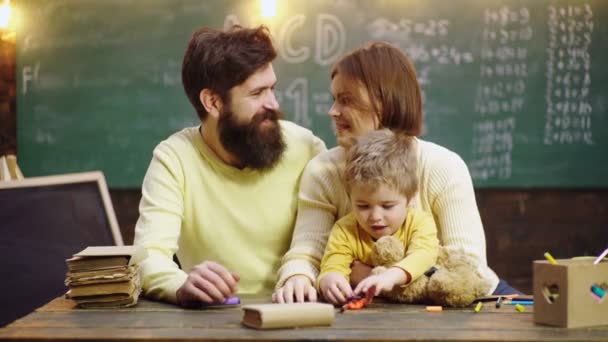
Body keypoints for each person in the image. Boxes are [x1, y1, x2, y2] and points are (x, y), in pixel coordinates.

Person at [273, 41, 521, 303]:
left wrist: (365, 273)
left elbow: (467, 267)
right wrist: (297, 276)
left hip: (480, 300)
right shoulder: (323, 171)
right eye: (334, 99)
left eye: (347, 100)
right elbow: (308, 254)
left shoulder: (443, 166)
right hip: (382, 311)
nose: (333, 111)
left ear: (385, 102)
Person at [133, 25, 326, 307]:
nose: (273, 103)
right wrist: (181, 285)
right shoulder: (174, 158)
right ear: (212, 101)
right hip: (214, 320)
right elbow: (148, 254)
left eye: (272, 88)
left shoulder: (307, 148)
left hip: (299, 312)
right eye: (257, 93)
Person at [318, 129, 439, 305]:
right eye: (363, 206)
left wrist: (391, 276)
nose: (375, 217)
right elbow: (333, 264)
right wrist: (329, 279)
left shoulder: (420, 223)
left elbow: (424, 255)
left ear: (410, 198)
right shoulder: (345, 229)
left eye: (387, 206)